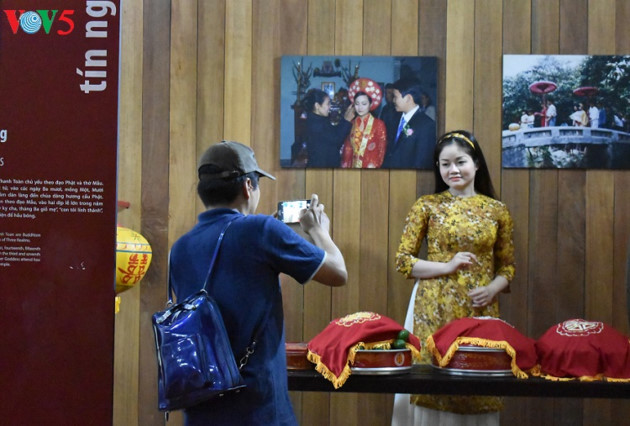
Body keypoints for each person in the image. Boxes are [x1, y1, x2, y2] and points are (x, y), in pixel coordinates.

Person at [169, 141, 348, 425]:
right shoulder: (262, 230)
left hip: (199, 406)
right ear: (248, 187)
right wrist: (318, 231)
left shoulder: (180, 248)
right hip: (258, 410)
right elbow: (338, 273)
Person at [391, 130, 515, 426]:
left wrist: (492, 289)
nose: (453, 170)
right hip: (433, 307)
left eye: (460, 162)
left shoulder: (497, 210)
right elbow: (403, 262)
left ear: (477, 164)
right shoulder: (427, 205)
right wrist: (447, 266)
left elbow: (508, 268)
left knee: (477, 378)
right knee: (432, 378)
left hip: (480, 308)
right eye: (445, 164)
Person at [382, 78, 436, 169]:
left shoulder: (426, 125)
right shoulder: (394, 117)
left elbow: (422, 162)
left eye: (395, 97)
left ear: (408, 98)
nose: (393, 100)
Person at [341, 78, 387, 168]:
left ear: (370, 104)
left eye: (364, 104)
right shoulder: (351, 123)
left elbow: (382, 149)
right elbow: (347, 148)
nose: (360, 107)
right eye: (357, 103)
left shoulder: (379, 124)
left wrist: (375, 164)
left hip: (370, 167)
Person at [301, 88, 354, 167]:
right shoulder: (316, 124)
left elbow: (334, 132)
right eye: (328, 104)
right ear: (317, 106)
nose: (330, 107)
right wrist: (347, 121)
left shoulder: (319, 118)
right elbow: (337, 140)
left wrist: (345, 118)